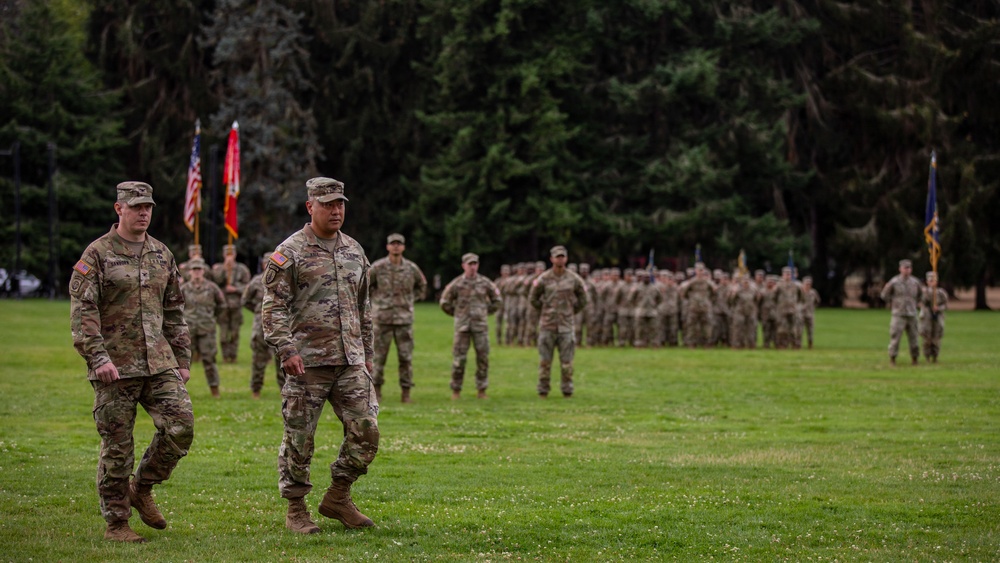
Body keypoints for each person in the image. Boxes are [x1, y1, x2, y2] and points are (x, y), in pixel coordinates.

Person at [69, 181, 194, 543]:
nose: (143, 213)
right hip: (115, 367)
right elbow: (82, 312)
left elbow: (174, 309)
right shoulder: (97, 254)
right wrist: (98, 358)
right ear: (118, 209)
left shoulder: (162, 254)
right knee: (118, 446)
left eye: (148, 207)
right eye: (136, 207)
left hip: (158, 362)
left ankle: (142, 488)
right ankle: (117, 523)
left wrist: (181, 357)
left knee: (181, 426)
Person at [262, 177, 379, 534]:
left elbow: (364, 309)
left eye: (340, 203)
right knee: (300, 437)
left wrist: (368, 355)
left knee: (367, 430)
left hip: (350, 360)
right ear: (310, 206)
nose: (336, 210)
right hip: (306, 363)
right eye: (327, 204)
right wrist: (286, 349)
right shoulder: (290, 251)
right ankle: (296, 510)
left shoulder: (354, 251)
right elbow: (273, 307)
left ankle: (338, 495)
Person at [369, 233, 427, 403]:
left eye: (399, 244)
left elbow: (422, 286)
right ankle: (376, 392)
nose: (396, 246)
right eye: (392, 244)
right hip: (382, 320)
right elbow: (365, 286)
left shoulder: (411, 268)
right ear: (387, 247)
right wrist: (375, 302)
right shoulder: (378, 267)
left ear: (403, 247)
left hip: (404, 321)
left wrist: (410, 300)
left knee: (405, 358)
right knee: (378, 358)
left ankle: (406, 393)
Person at [439, 252, 502, 399]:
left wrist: (485, 312)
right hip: (462, 328)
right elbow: (445, 302)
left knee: (483, 359)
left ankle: (481, 389)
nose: (473, 267)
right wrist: (457, 314)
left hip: (480, 327)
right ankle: (456, 390)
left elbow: (497, 300)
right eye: (470, 264)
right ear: (463, 266)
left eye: (475, 264)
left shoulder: (485, 283)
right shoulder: (457, 284)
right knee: (459, 360)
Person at [529, 246, 588, 397]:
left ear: (566, 259)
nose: (560, 259)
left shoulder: (573, 279)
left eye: (562, 256)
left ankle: (567, 390)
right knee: (545, 361)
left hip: (566, 326)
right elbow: (533, 298)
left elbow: (583, 298)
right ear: (552, 259)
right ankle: (543, 390)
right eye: (557, 257)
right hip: (547, 325)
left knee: (567, 362)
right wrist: (544, 310)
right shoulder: (544, 278)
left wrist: (571, 311)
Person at [181, 258, 226, 397]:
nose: (196, 272)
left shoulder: (212, 287)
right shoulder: (183, 288)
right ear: (189, 272)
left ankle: (214, 390)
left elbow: (222, 305)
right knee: (184, 361)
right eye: (194, 270)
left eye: (199, 269)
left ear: (203, 271)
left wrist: (212, 318)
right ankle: (180, 391)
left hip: (207, 328)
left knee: (209, 360)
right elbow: (176, 306)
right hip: (189, 329)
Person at [242, 252, 284, 398]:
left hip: (279, 326)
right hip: (260, 326)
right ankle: (256, 390)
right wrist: (257, 310)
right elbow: (245, 300)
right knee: (258, 360)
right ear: (262, 264)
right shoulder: (256, 282)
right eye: (266, 263)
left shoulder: (284, 280)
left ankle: (284, 391)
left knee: (282, 360)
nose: (269, 266)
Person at [211, 244, 251, 363]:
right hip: (223, 306)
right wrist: (224, 268)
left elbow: (248, 287)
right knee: (223, 335)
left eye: (231, 254)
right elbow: (216, 282)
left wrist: (236, 289)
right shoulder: (218, 268)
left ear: (235, 255)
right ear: (223, 255)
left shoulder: (242, 269)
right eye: (227, 254)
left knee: (234, 333)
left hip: (236, 306)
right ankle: (224, 356)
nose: (229, 257)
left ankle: (233, 356)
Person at [880, 259, 923, 365]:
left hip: (912, 314)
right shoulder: (894, 282)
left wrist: (916, 304)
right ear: (900, 269)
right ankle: (892, 358)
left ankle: (915, 358)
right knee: (895, 338)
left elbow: (920, 296)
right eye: (905, 268)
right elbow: (884, 296)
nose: (907, 270)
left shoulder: (915, 282)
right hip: (898, 314)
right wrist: (888, 292)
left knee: (914, 338)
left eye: (909, 268)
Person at [919, 271, 948, 363]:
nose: (932, 282)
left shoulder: (941, 292)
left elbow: (945, 304)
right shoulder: (924, 292)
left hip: (937, 317)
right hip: (927, 316)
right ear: (927, 281)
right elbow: (921, 301)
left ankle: (935, 356)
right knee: (927, 337)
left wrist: (938, 308)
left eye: (934, 280)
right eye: (930, 280)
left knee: (936, 338)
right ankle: (927, 356)